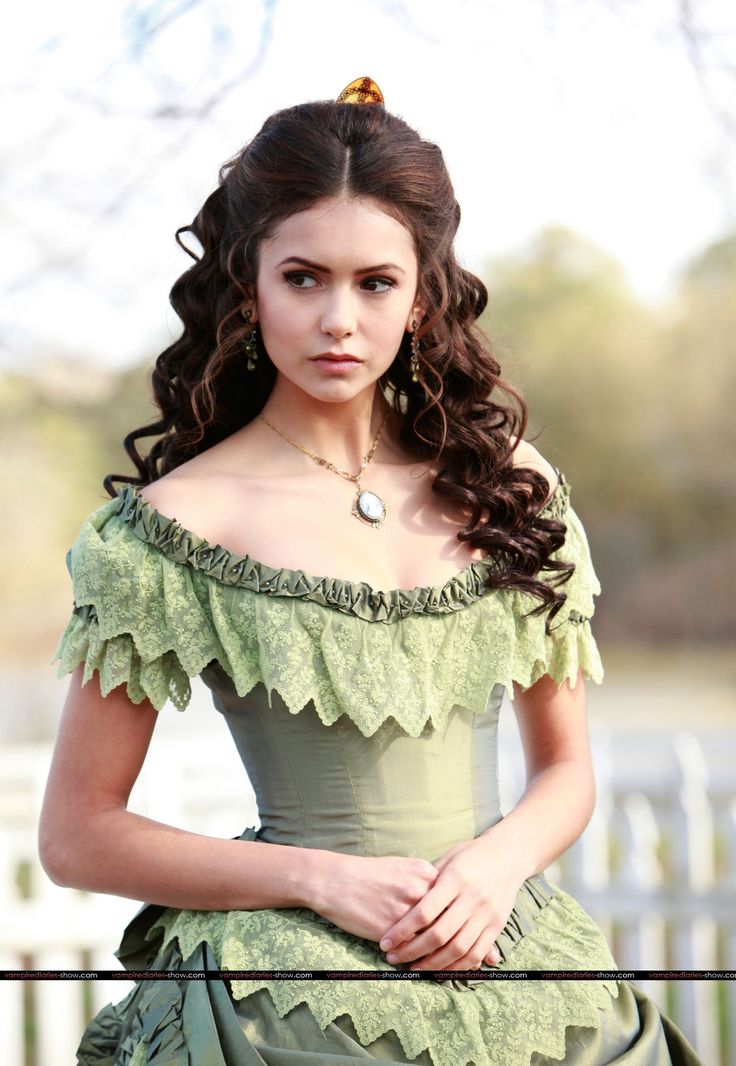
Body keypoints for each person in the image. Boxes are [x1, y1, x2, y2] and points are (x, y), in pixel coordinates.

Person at [40, 77, 703, 1066]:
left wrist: (493, 870)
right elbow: (78, 833)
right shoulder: (175, 526)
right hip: (279, 1002)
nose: (338, 319)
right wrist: (318, 879)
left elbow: (564, 769)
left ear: (423, 292)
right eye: (303, 277)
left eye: (374, 282)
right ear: (247, 283)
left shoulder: (509, 489)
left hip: (508, 949)